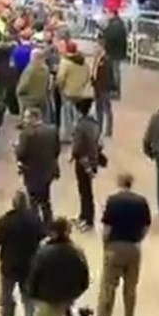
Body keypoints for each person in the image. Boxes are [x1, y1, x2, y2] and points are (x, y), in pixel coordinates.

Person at [96, 173, 151, 316]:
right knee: (130, 289)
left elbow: (107, 229)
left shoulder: (113, 201)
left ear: (119, 182)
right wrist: (137, 239)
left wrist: (106, 245)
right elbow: (146, 227)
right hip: (133, 248)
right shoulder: (141, 202)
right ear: (131, 183)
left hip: (115, 247)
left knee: (108, 288)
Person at [0, 191, 45, 316]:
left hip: (9, 267)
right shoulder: (35, 219)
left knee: (6, 299)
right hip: (29, 266)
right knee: (29, 302)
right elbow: (42, 236)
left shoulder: (6, 220)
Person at [23, 217, 89, 316]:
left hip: (48, 296)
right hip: (69, 294)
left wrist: (33, 294)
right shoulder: (77, 251)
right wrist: (77, 291)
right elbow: (84, 274)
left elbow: (34, 276)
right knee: (60, 315)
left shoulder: (43, 252)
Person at [15, 108, 60, 225]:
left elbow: (21, 153)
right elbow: (56, 150)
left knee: (33, 201)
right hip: (48, 171)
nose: (24, 120)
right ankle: (48, 224)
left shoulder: (26, 134)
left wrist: (16, 148)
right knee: (45, 199)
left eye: (26, 117)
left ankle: (35, 225)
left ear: (34, 118)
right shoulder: (52, 130)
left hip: (31, 172)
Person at [69, 96, 102, 232]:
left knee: (84, 191)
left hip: (82, 161)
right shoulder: (94, 124)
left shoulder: (81, 125)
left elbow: (77, 145)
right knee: (87, 191)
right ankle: (84, 216)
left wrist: (73, 155)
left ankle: (87, 219)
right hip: (92, 159)